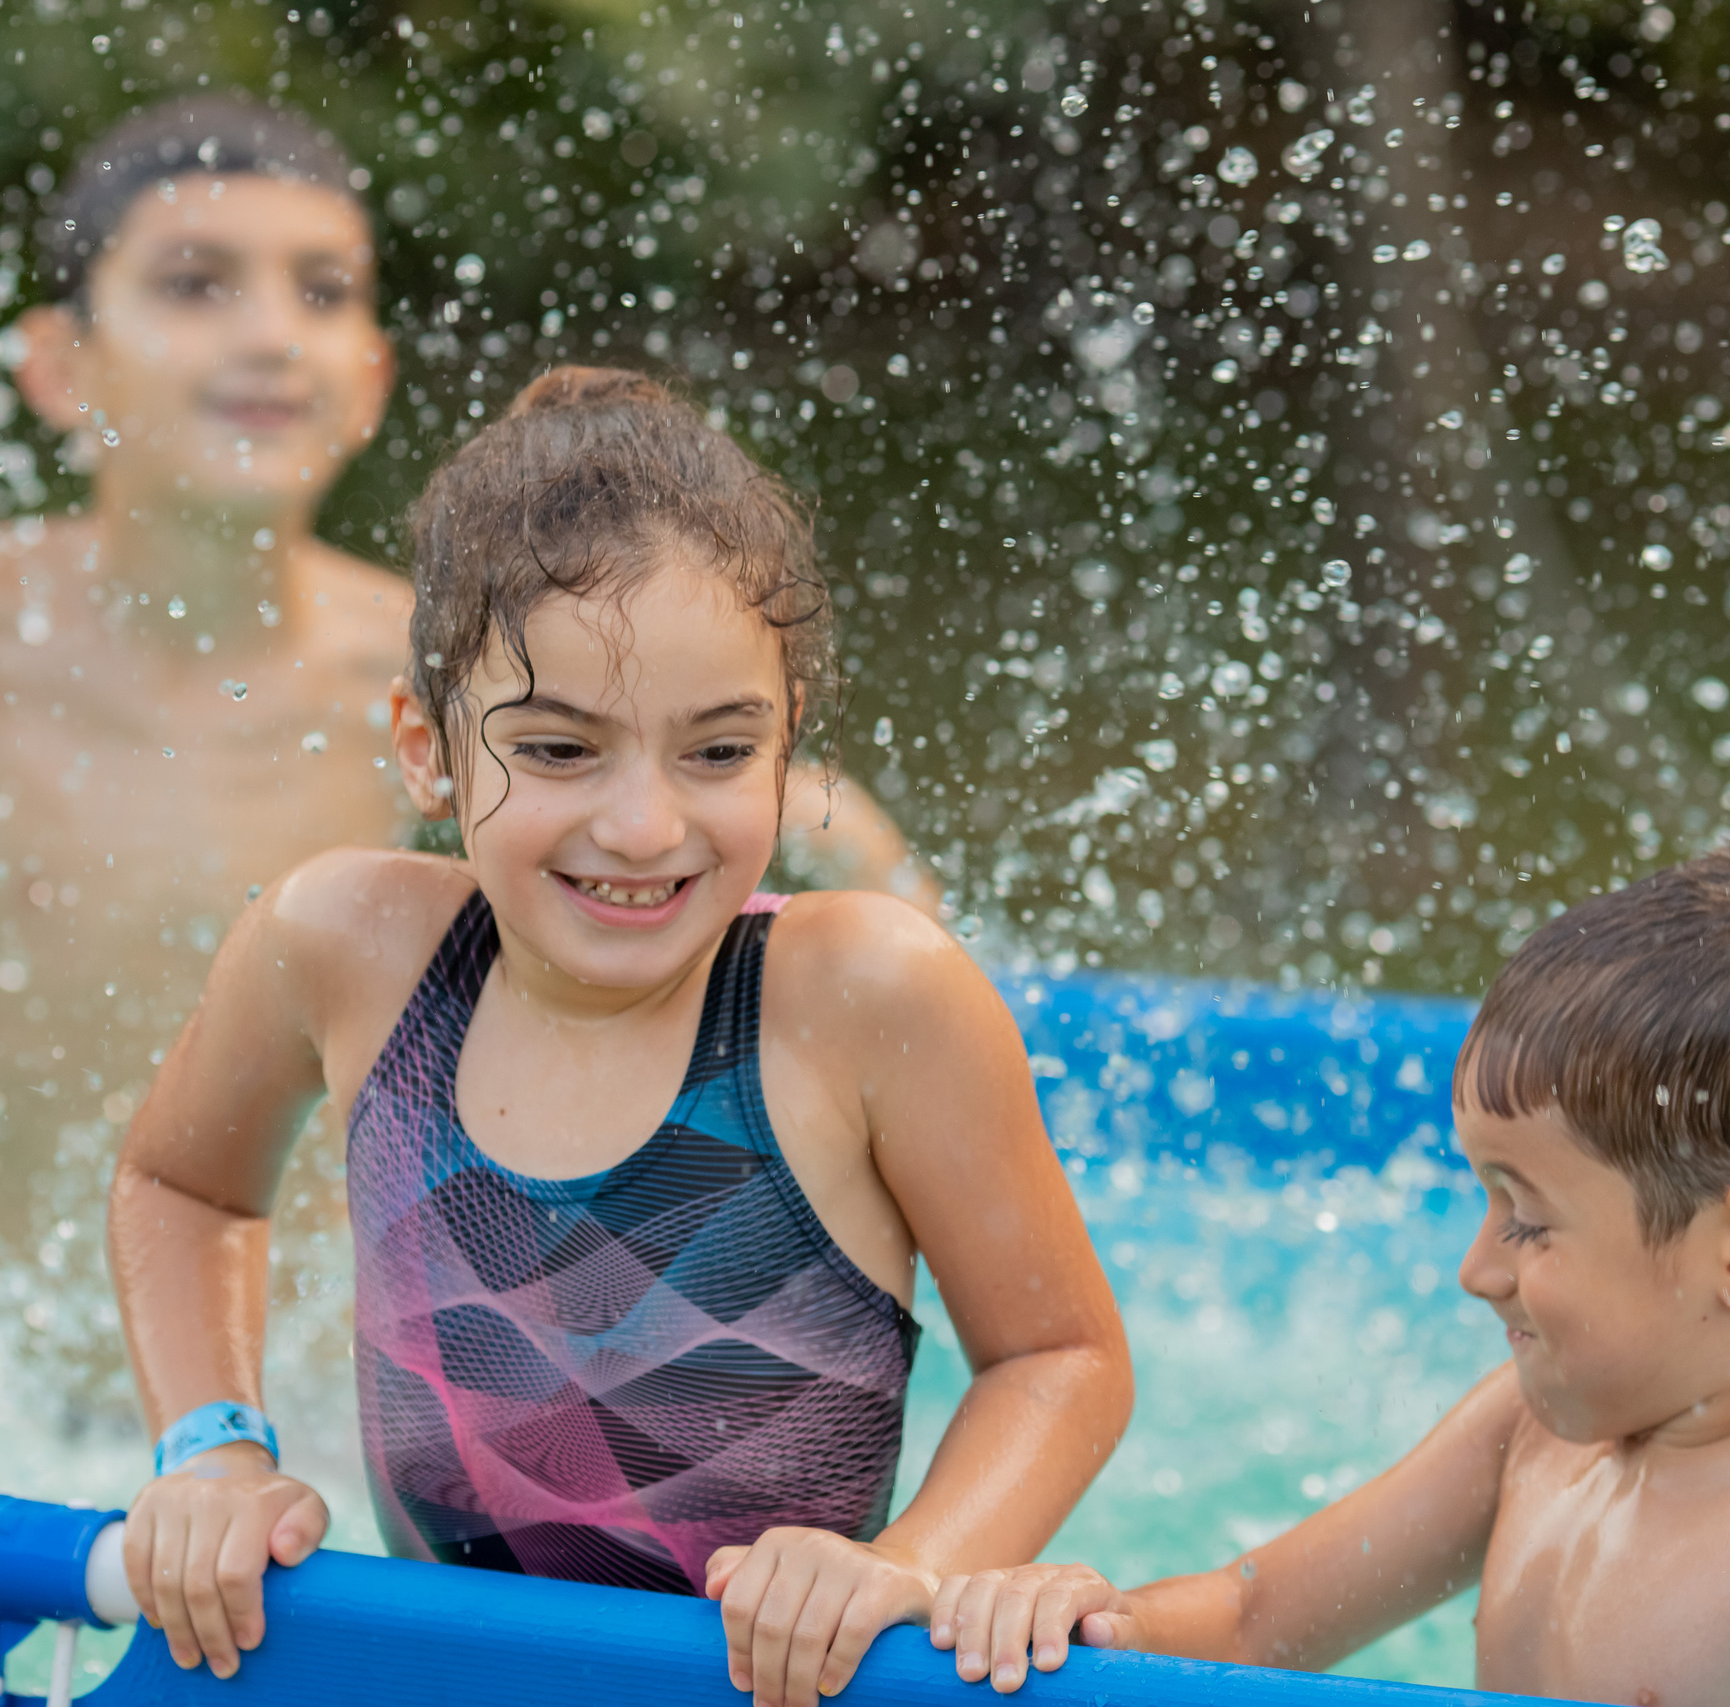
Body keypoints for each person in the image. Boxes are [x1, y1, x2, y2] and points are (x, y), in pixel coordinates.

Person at [0, 97, 929, 1343]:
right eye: (194, 282)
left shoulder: (427, 667)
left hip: (285, 1381)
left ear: (369, 380)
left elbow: (732, 790)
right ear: (58, 367)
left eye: (321, 290)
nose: (269, 334)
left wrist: (900, 935)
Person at [105, 367, 1133, 1707]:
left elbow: (1061, 1355)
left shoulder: (865, 996)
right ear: (427, 747)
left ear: (791, 749)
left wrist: (917, 1564)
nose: (645, 826)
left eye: (716, 752)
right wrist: (215, 1446)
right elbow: (180, 1183)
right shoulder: (346, 946)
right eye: (559, 749)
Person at [929, 840, 1730, 1706]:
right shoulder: (1534, 1429)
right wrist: (1090, 1622)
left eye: (1527, 1221)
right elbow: (1256, 1618)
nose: (1473, 1271)